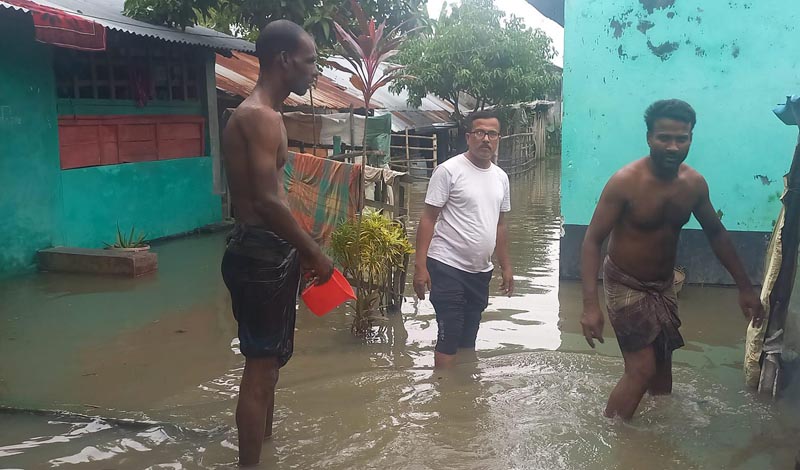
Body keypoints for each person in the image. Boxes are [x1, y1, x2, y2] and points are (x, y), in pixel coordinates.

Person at [580, 99, 765, 420]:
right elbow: (592, 241)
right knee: (640, 369)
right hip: (625, 281)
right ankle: (609, 437)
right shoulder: (625, 182)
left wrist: (746, 288)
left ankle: (657, 437)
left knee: (662, 369)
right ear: (649, 137)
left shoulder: (693, 185)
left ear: (691, 138)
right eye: (664, 137)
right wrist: (590, 305)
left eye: (682, 138)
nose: (673, 146)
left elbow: (717, 234)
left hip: (663, 285)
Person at [220, 20, 333, 467]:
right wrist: (314, 252)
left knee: (270, 363)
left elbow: (273, 199)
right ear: (284, 60)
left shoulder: (262, 114)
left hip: (263, 248)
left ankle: (265, 448)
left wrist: (299, 247)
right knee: (260, 367)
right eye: (309, 61)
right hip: (260, 252)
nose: (314, 71)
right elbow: (268, 201)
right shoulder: (259, 117)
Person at [413, 109, 514, 370]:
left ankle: (466, 393)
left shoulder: (501, 178)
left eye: (492, 134)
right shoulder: (449, 171)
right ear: (468, 137)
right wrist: (420, 267)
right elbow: (427, 218)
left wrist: (507, 267)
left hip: (480, 271)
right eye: (480, 133)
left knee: (469, 337)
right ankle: (443, 395)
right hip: (446, 265)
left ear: (498, 139)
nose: (486, 139)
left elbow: (500, 225)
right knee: (450, 333)